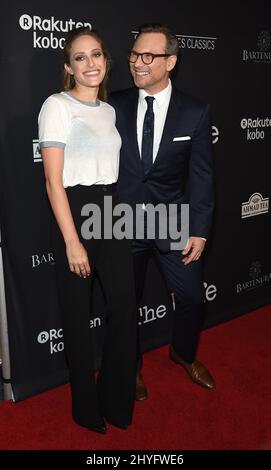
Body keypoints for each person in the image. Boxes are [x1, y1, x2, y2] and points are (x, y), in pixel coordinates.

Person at [38, 26, 137, 433]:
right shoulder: (57, 106)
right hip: (74, 211)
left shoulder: (110, 109)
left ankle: (116, 398)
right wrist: (72, 240)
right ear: (68, 67)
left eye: (96, 55)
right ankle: (85, 406)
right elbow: (52, 181)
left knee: (125, 309)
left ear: (106, 61)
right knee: (77, 317)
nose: (90, 63)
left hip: (111, 209)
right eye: (80, 57)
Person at [109, 23, 215, 402]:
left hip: (171, 219)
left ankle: (182, 353)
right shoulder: (113, 103)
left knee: (191, 298)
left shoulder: (196, 111)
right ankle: (131, 366)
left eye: (149, 56)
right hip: (122, 222)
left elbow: (201, 175)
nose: (138, 63)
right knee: (124, 303)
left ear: (171, 61)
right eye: (135, 54)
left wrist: (199, 230)